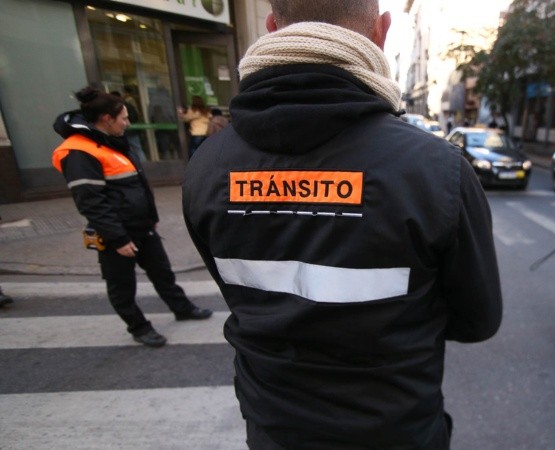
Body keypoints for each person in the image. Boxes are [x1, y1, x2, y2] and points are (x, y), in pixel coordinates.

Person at [182, 1, 503, 448]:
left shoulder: (208, 167)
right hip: (393, 432)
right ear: (381, 31)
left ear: (273, 27)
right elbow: (478, 321)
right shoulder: (435, 170)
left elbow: (244, 293)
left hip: (274, 429)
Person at [52, 86, 212, 347]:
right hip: (116, 232)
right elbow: (91, 203)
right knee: (121, 286)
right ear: (107, 119)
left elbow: (135, 184)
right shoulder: (79, 151)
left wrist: (151, 216)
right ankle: (139, 327)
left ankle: (182, 308)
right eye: (124, 118)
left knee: (162, 272)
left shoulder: (110, 141)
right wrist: (117, 239)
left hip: (142, 226)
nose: (128, 122)